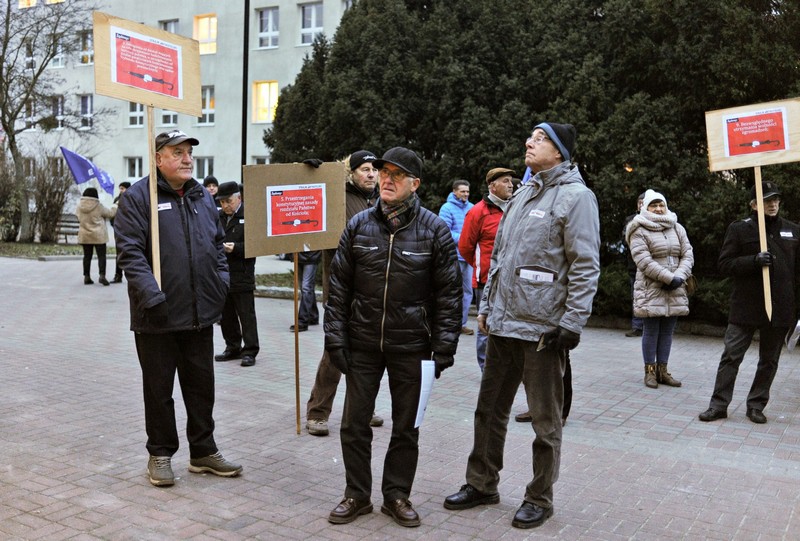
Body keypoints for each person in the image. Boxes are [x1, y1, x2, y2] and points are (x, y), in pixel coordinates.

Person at [443, 122, 600, 529]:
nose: (529, 142)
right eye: (530, 136)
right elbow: (500, 261)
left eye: (540, 138)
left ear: (561, 151)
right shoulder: (524, 193)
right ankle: (482, 483)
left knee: (546, 421)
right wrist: (487, 308)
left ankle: (540, 497)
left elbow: (585, 265)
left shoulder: (576, 197)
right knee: (488, 410)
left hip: (544, 330)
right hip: (503, 325)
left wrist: (572, 322)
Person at [325, 147, 461, 528]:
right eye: (384, 172)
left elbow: (448, 293)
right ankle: (356, 495)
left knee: (406, 426)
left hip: (413, 347)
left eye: (397, 175)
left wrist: (445, 346)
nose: (386, 179)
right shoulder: (359, 226)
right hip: (363, 343)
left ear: (414, 184)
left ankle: (397, 495)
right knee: (353, 424)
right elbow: (338, 288)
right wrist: (335, 338)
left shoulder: (434, 230)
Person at [114, 130, 242, 487]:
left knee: (202, 387)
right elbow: (130, 253)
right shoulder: (140, 197)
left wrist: (220, 282)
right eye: (177, 152)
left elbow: (217, 244)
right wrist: (151, 296)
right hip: (157, 315)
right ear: (157, 158)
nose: (187, 159)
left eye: (189, 152)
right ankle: (160, 453)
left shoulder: (201, 195)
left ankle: (203, 451)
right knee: (159, 390)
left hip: (200, 312)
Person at [699, 181, 800, 424]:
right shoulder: (740, 230)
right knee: (731, 356)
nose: (773, 204)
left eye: (775, 199)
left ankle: (756, 405)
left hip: (779, 308)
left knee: (769, 361)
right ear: (754, 204)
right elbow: (724, 264)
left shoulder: (793, 230)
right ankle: (719, 405)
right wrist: (753, 261)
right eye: (767, 200)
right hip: (746, 306)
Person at [306, 150, 383, 436]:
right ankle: (318, 412)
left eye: (375, 169)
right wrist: (311, 172)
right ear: (350, 173)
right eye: (364, 169)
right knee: (335, 352)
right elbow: (311, 194)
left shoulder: (381, 199)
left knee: (369, 354)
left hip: (374, 291)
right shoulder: (336, 196)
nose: (371, 174)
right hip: (342, 290)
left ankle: (364, 407)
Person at [625, 189, 694, 389]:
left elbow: (687, 253)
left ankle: (663, 371)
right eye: (653, 205)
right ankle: (650, 372)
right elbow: (642, 260)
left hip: (676, 285)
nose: (658, 209)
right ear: (645, 207)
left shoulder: (677, 227)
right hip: (651, 287)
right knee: (651, 330)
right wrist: (668, 277)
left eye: (661, 205)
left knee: (668, 332)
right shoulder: (638, 229)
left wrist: (679, 276)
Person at [458, 167, 515, 370]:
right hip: (486, 279)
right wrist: (481, 267)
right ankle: (486, 368)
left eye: (511, 181)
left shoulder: (515, 208)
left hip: (512, 280)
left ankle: (506, 367)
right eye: (506, 181)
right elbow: (465, 247)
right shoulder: (477, 212)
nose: (511, 185)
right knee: (485, 326)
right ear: (492, 185)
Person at [213, 181, 260, 367]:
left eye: (228, 201)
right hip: (223, 274)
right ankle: (232, 347)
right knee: (227, 315)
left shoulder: (249, 216)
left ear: (238, 198)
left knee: (246, 315)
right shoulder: (217, 217)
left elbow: (256, 245)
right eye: (222, 202)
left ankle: (250, 350)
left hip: (243, 273)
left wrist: (237, 249)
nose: (225, 206)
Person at [439, 179, 475, 335]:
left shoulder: (473, 208)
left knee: (468, 293)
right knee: (452, 291)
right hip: (453, 257)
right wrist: (465, 239)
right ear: (454, 192)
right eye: (462, 191)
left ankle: (462, 324)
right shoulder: (446, 208)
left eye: (467, 191)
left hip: (469, 257)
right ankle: (449, 323)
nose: (465, 194)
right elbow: (444, 231)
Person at [75, 187, 117, 286]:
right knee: (101, 256)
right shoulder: (98, 205)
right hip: (99, 235)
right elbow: (110, 213)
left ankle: (87, 276)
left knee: (87, 256)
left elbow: (77, 216)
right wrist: (115, 206)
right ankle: (102, 275)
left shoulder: (79, 206)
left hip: (85, 234)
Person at [623, 192, 646, 336]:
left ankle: (649, 327)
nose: (641, 204)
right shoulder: (631, 220)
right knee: (636, 297)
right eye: (639, 202)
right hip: (634, 266)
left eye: (644, 202)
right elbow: (626, 239)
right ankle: (637, 326)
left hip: (652, 267)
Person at [290, 250, 321, 332]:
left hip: (311, 254)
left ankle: (302, 321)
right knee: (305, 288)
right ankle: (313, 316)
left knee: (306, 287)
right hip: (298, 253)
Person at [111, 181, 131, 283]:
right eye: (120, 188)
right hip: (119, 231)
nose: (121, 190)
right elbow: (112, 216)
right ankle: (118, 275)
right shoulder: (117, 200)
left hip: (130, 230)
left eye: (123, 188)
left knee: (132, 253)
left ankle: (132, 276)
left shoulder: (132, 199)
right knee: (119, 254)